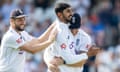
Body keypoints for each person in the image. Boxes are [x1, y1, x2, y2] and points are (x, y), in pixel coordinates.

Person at [44, 3, 100, 72]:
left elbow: (81, 62)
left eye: (75, 28)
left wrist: (64, 61)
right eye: (72, 28)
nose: (73, 31)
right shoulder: (62, 32)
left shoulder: (85, 38)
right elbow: (48, 51)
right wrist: (49, 63)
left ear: (80, 26)